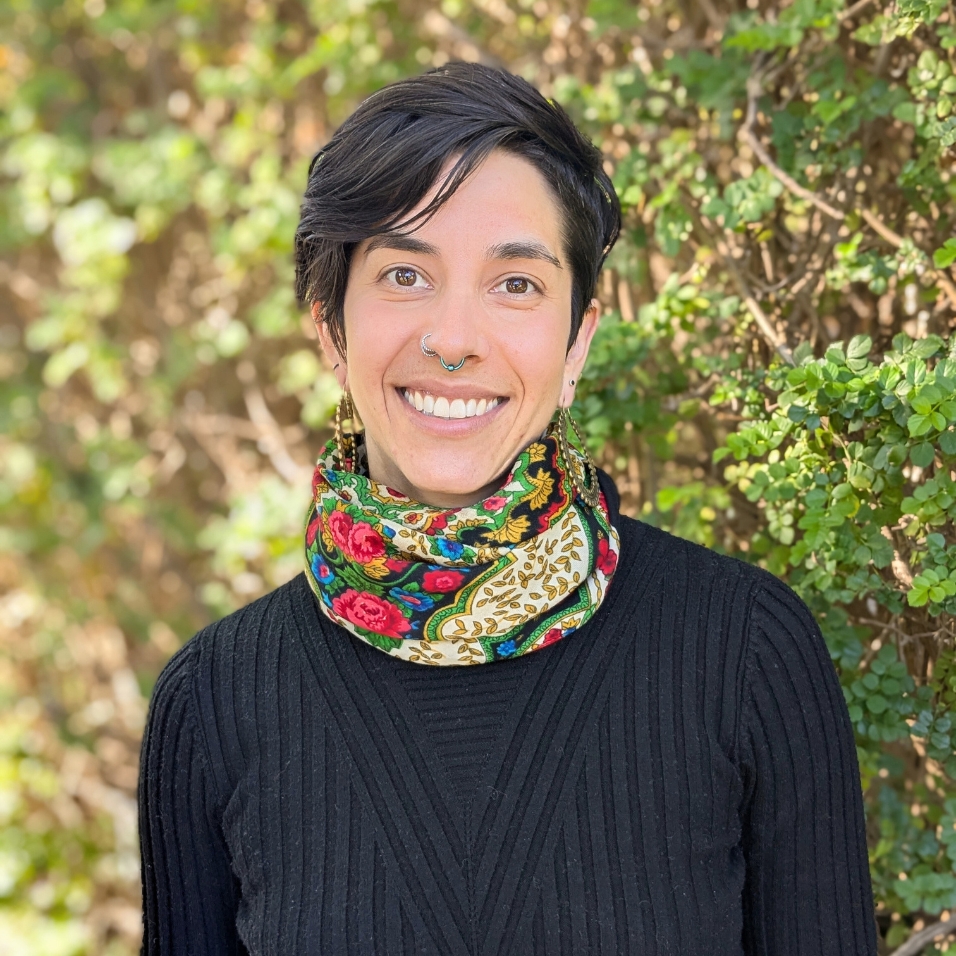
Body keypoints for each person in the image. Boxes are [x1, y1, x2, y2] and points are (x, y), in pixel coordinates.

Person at [138, 62, 877, 955]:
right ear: (330, 328)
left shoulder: (746, 651)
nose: (452, 339)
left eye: (515, 284)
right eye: (404, 274)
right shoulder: (216, 700)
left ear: (578, 341)